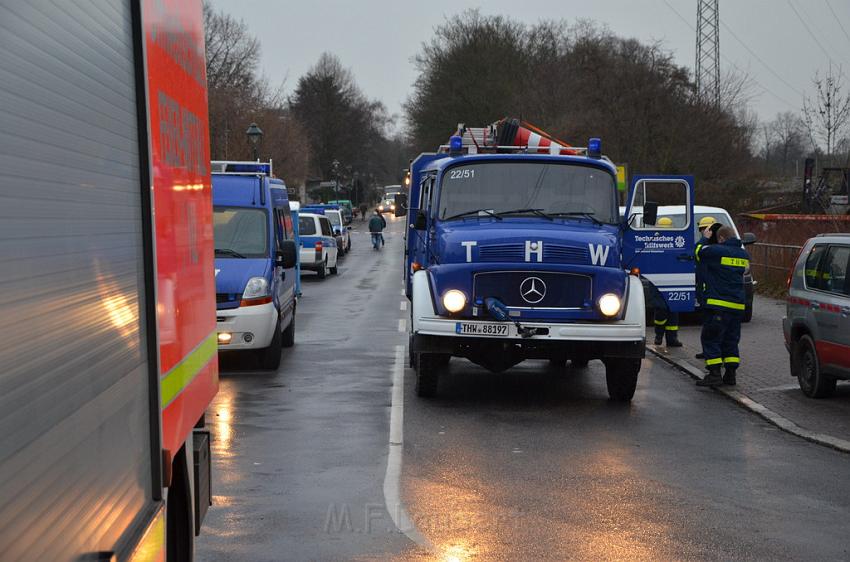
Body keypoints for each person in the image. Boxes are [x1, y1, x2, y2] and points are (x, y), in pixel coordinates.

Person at [695, 225, 750, 387]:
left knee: (711, 338)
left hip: (718, 305)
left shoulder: (716, 251)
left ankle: (714, 374)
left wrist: (705, 237)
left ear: (721, 239)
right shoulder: (743, 254)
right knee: (731, 340)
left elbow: (698, 251)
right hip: (737, 306)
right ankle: (730, 375)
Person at [648, 217, 682, 347]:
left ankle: (672, 339)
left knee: (673, 310)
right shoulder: (652, 244)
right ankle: (658, 335)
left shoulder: (676, 243)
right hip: (657, 281)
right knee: (661, 309)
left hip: (673, 280)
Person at [694, 218, 720, 359]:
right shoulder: (705, 246)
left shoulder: (707, 246)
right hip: (705, 291)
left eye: (706, 229)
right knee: (707, 324)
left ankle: (713, 354)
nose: (703, 231)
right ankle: (707, 351)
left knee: (712, 326)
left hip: (712, 292)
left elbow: (697, 252)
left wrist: (705, 240)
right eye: (702, 229)